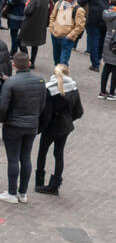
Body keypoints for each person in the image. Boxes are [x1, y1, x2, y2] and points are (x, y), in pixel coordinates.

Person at [0, 51, 47, 205]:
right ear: (29, 64)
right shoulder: (40, 81)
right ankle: (22, 193)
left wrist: (2, 120)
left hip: (13, 125)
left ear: (13, 65)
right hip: (31, 125)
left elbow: (3, 106)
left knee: (13, 159)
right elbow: (42, 104)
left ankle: (11, 192)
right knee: (26, 157)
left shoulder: (11, 83)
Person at [34, 63, 82, 196]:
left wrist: (39, 129)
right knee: (58, 154)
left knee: (42, 152)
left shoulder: (49, 89)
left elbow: (46, 114)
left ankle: (39, 181)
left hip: (51, 127)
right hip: (65, 127)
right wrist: (68, 119)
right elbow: (79, 112)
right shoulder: (73, 88)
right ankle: (54, 185)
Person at [47, 0, 85, 67]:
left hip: (66, 38)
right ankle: (57, 75)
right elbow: (52, 17)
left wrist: (69, 36)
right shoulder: (59, 4)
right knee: (56, 59)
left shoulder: (78, 9)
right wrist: (52, 29)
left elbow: (80, 26)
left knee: (63, 61)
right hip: (55, 35)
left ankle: (61, 76)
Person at [20, 0, 52, 67]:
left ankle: (26, 59)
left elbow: (27, 11)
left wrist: (27, 2)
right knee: (35, 44)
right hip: (41, 22)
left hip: (30, 22)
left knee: (20, 40)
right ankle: (32, 61)